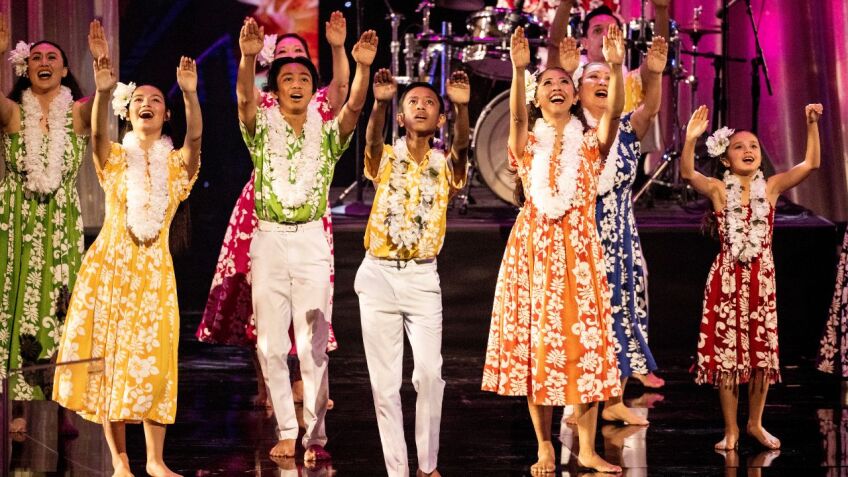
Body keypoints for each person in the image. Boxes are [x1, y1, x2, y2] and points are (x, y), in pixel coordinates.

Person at [482, 24, 625, 474]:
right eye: (548, 83)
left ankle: (585, 447)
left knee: (584, 345)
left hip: (579, 250)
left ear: (576, 94)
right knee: (536, 346)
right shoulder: (525, 140)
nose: (558, 87)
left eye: (566, 82)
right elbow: (519, 117)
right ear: (537, 96)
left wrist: (617, 68)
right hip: (534, 251)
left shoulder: (589, 142)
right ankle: (544, 445)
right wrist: (519, 68)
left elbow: (615, 114)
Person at [52, 51, 202, 477]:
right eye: (138, 100)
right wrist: (101, 92)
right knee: (111, 363)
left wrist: (190, 95)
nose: (146, 104)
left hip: (155, 275)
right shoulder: (115, 158)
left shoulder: (176, 167)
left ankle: (156, 460)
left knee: (156, 360)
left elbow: (194, 142)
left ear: (165, 112)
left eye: (155, 99)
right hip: (110, 270)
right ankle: (121, 462)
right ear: (128, 111)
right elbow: (97, 134)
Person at [235, 17, 375, 460]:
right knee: (271, 345)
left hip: (312, 240)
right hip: (270, 240)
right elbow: (243, 98)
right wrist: (247, 57)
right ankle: (286, 428)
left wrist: (355, 63)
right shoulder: (261, 128)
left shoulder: (327, 131)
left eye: (302, 78)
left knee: (314, 344)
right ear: (274, 89)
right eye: (286, 78)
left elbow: (350, 107)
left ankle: (316, 436)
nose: (295, 83)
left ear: (311, 89)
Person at [197, 12, 349, 410]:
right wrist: (246, 60)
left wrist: (339, 48)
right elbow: (243, 96)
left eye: (299, 54)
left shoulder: (318, 107)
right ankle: (268, 383)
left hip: (307, 215)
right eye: (284, 54)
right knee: (259, 301)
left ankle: (302, 382)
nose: (292, 59)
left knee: (305, 300)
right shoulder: (263, 104)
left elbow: (344, 89)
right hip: (261, 209)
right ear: (271, 64)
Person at [681, 103, 823, 450]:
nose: (748, 151)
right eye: (739, 147)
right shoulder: (718, 188)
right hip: (727, 281)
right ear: (726, 160)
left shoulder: (771, 187)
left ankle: (755, 424)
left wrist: (811, 125)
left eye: (754, 146)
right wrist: (689, 140)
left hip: (762, 281)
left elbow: (811, 164)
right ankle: (731, 430)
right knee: (728, 359)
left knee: (761, 357)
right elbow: (687, 174)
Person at [356, 68, 470, 477]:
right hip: (379, 275)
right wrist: (381, 104)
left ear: (439, 119)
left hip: (422, 278)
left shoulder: (445, 165)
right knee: (385, 385)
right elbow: (370, 142)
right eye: (413, 102)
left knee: (428, 374)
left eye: (430, 103)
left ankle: (427, 464)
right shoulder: (386, 158)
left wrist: (461, 107)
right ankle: (398, 470)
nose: (421, 107)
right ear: (401, 118)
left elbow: (461, 150)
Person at [0, 17, 107, 430]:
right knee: (16, 304)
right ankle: (20, 407)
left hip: (61, 219)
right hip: (15, 220)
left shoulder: (77, 114)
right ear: (26, 68)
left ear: (64, 70)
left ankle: (66, 405)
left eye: (53, 58)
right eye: (37, 57)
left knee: (63, 306)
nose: (44, 62)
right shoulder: (12, 112)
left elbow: (100, 120)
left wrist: (104, 78)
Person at [575, 36, 667, 427]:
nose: (599, 80)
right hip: (580, 235)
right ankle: (577, 404)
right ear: (577, 89)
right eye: (590, 75)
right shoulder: (567, 131)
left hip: (621, 236)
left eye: (604, 75)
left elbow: (651, 106)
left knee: (623, 314)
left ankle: (613, 399)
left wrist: (656, 74)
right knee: (583, 317)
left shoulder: (628, 128)